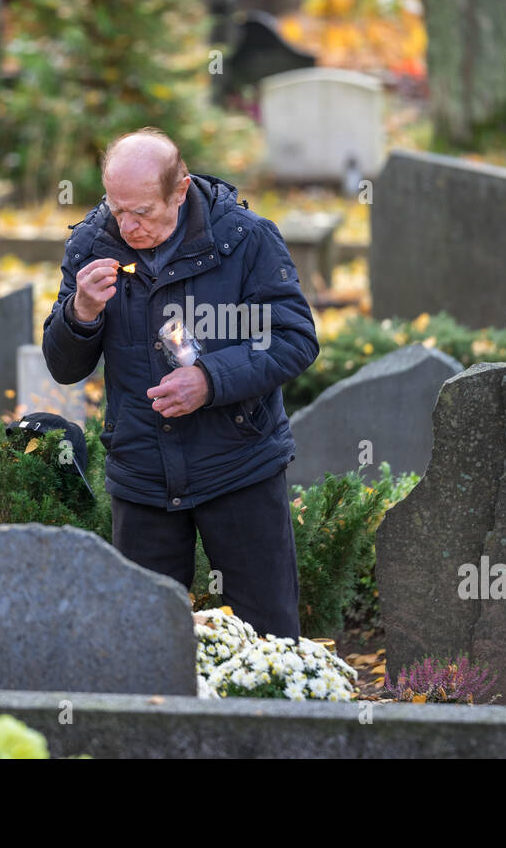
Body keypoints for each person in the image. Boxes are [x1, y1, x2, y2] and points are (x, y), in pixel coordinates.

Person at [41, 127, 319, 639]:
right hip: (142, 471)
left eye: (142, 211)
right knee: (144, 641)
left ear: (181, 189)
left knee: (269, 635)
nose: (126, 226)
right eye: (116, 207)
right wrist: (79, 312)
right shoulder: (90, 244)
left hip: (239, 462)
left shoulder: (247, 239)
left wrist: (209, 379)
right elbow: (64, 368)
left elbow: (293, 338)